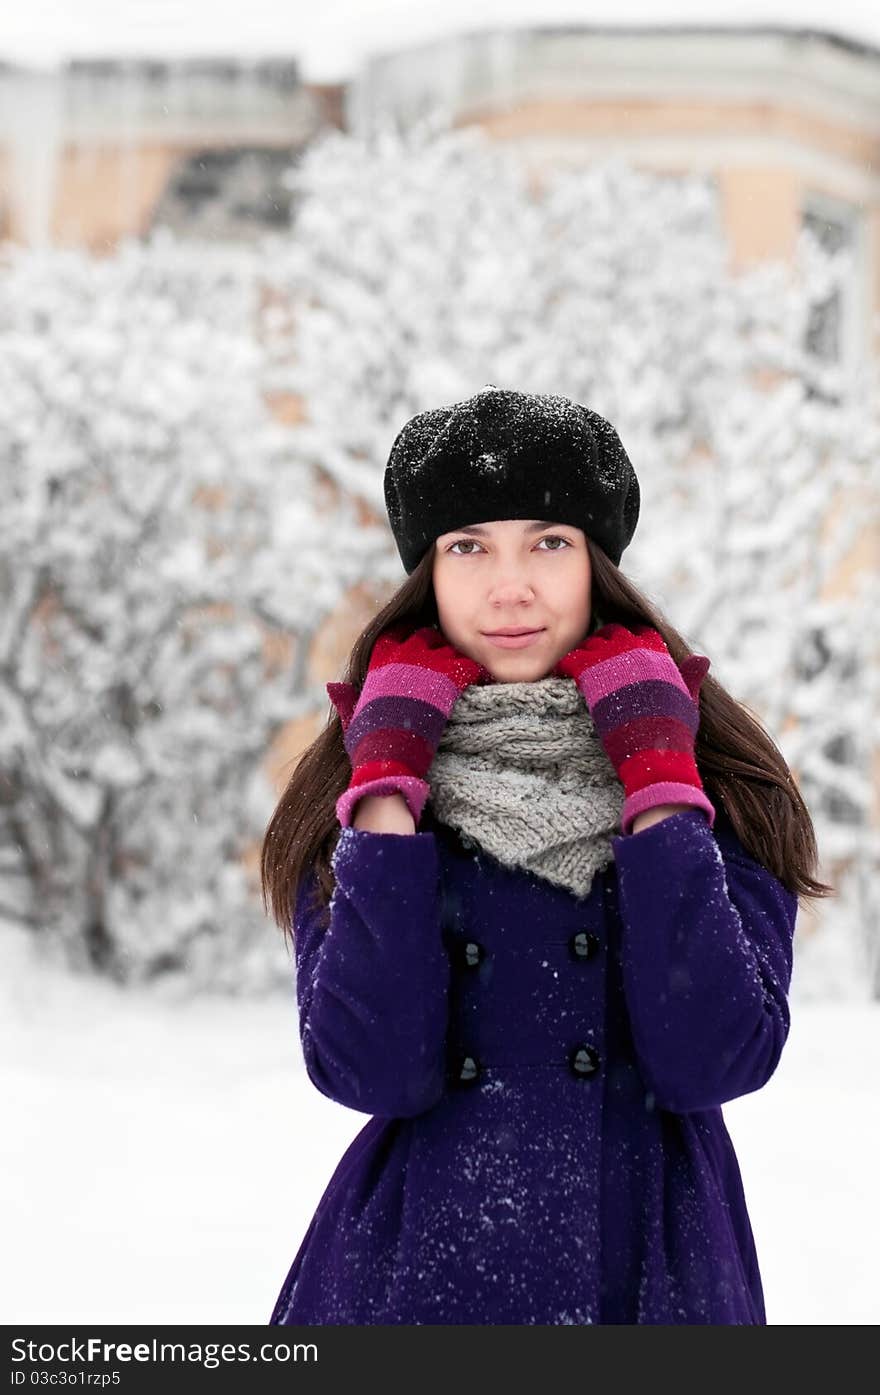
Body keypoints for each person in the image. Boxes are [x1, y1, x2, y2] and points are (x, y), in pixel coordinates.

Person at [261, 385, 831, 1325]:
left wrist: (657, 781)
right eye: (468, 546)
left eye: (549, 542)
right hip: (415, 1276)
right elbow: (371, 1068)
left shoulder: (721, 778)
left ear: (597, 565)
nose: (510, 585)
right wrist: (391, 792)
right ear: (428, 573)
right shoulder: (363, 776)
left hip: (649, 1268)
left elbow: (713, 1058)